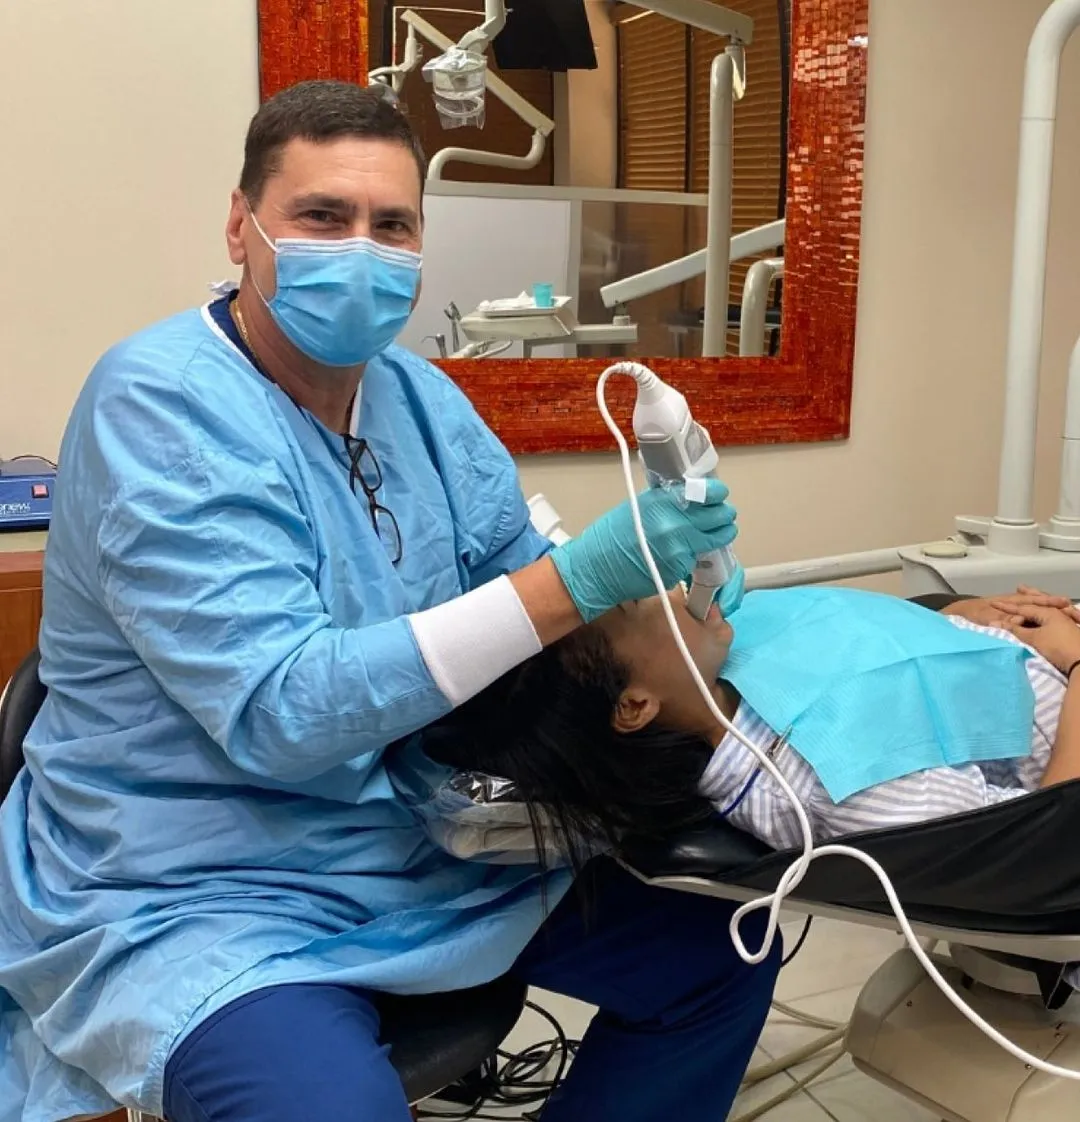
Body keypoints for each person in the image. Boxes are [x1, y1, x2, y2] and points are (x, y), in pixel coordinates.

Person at [0, 80, 772, 1122]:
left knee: (723, 948)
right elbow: (282, 714)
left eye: (392, 225)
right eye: (322, 216)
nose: (360, 250)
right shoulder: (160, 404)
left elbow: (515, 562)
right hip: (194, 883)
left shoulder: (420, 397)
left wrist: (675, 578)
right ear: (242, 225)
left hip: (405, 841)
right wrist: (581, 578)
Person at [429, 584, 1080, 861]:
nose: (674, 588)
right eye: (640, 603)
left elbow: (865, 633)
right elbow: (1046, 841)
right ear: (634, 705)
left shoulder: (725, 654)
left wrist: (971, 613)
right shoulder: (835, 776)